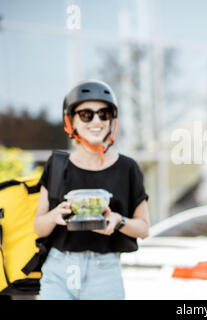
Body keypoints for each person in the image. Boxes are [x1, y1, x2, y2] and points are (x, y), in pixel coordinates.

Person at [34, 80, 150, 300]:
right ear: (72, 121)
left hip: (105, 271)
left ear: (111, 120)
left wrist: (118, 221)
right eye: (86, 114)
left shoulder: (127, 168)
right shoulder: (57, 165)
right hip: (60, 268)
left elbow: (144, 229)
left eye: (104, 114)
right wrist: (54, 216)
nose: (96, 121)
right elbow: (38, 228)